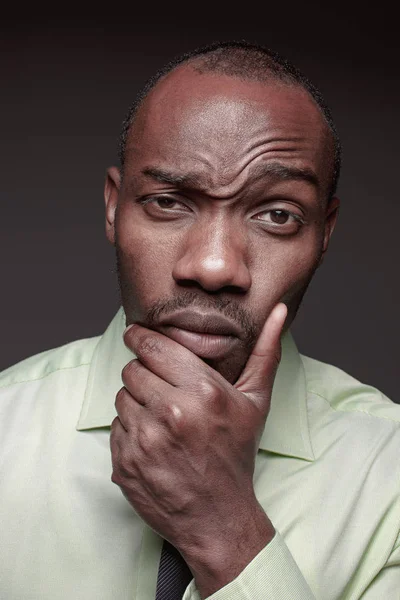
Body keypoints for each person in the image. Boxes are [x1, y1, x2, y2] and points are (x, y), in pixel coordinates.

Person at [1, 41, 399, 600]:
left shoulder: (390, 477)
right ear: (115, 207)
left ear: (324, 233)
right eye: (168, 202)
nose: (213, 266)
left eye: (276, 215)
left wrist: (225, 530)